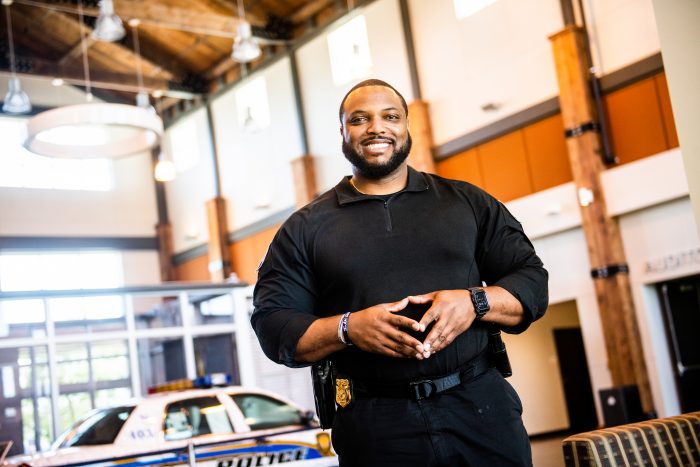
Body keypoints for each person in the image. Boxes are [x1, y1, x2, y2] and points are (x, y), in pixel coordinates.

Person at [251, 79, 548, 467]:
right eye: (360, 119)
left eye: (390, 116)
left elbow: (531, 282)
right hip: (375, 426)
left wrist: (474, 302)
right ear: (342, 132)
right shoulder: (304, 229)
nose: (376, 127)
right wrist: (348, 327)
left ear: (407, 126)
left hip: (480, 409)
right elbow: (274, 327)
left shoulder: (467, 203)